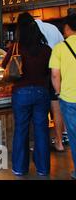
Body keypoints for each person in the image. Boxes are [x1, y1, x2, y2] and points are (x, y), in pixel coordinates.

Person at [2, 12, 51, 176]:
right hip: (42, 92)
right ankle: (43, 168)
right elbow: (50, 71)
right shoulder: (46, 49)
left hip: (21, 93)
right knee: (41, 130)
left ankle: (19, 168)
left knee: (21, 129)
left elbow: (4, 65)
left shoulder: (16, 47)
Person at [50, 13, 76, 180]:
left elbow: (54, 75)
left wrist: (58, 93)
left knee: (74, 136)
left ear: (67, 28)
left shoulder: (60, 48)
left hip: (69, 98)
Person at [35, 19, 67, 152]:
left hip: (42, 73)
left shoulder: (33, 30)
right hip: (56, 70)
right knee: (56, 107)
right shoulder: (53, 28)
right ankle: (59, 142)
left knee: (41, 108)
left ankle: (41, 142)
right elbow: (61, 44)